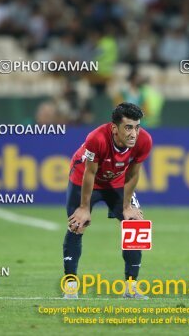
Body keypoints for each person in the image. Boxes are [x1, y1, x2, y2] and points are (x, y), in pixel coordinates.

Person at [63, 103, 153, 299]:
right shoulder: (96, 139)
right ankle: (70, 286)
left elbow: (133, 175)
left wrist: (127, 207)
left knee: (135, 226)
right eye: (128, 127)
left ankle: (131, 287)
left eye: (137, 127)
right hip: (84, 180)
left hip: (116, 182)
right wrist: (84, 208)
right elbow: (90, 173)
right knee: (77, 225)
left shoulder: (144, 140)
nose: (134, 133)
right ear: (114, 128)